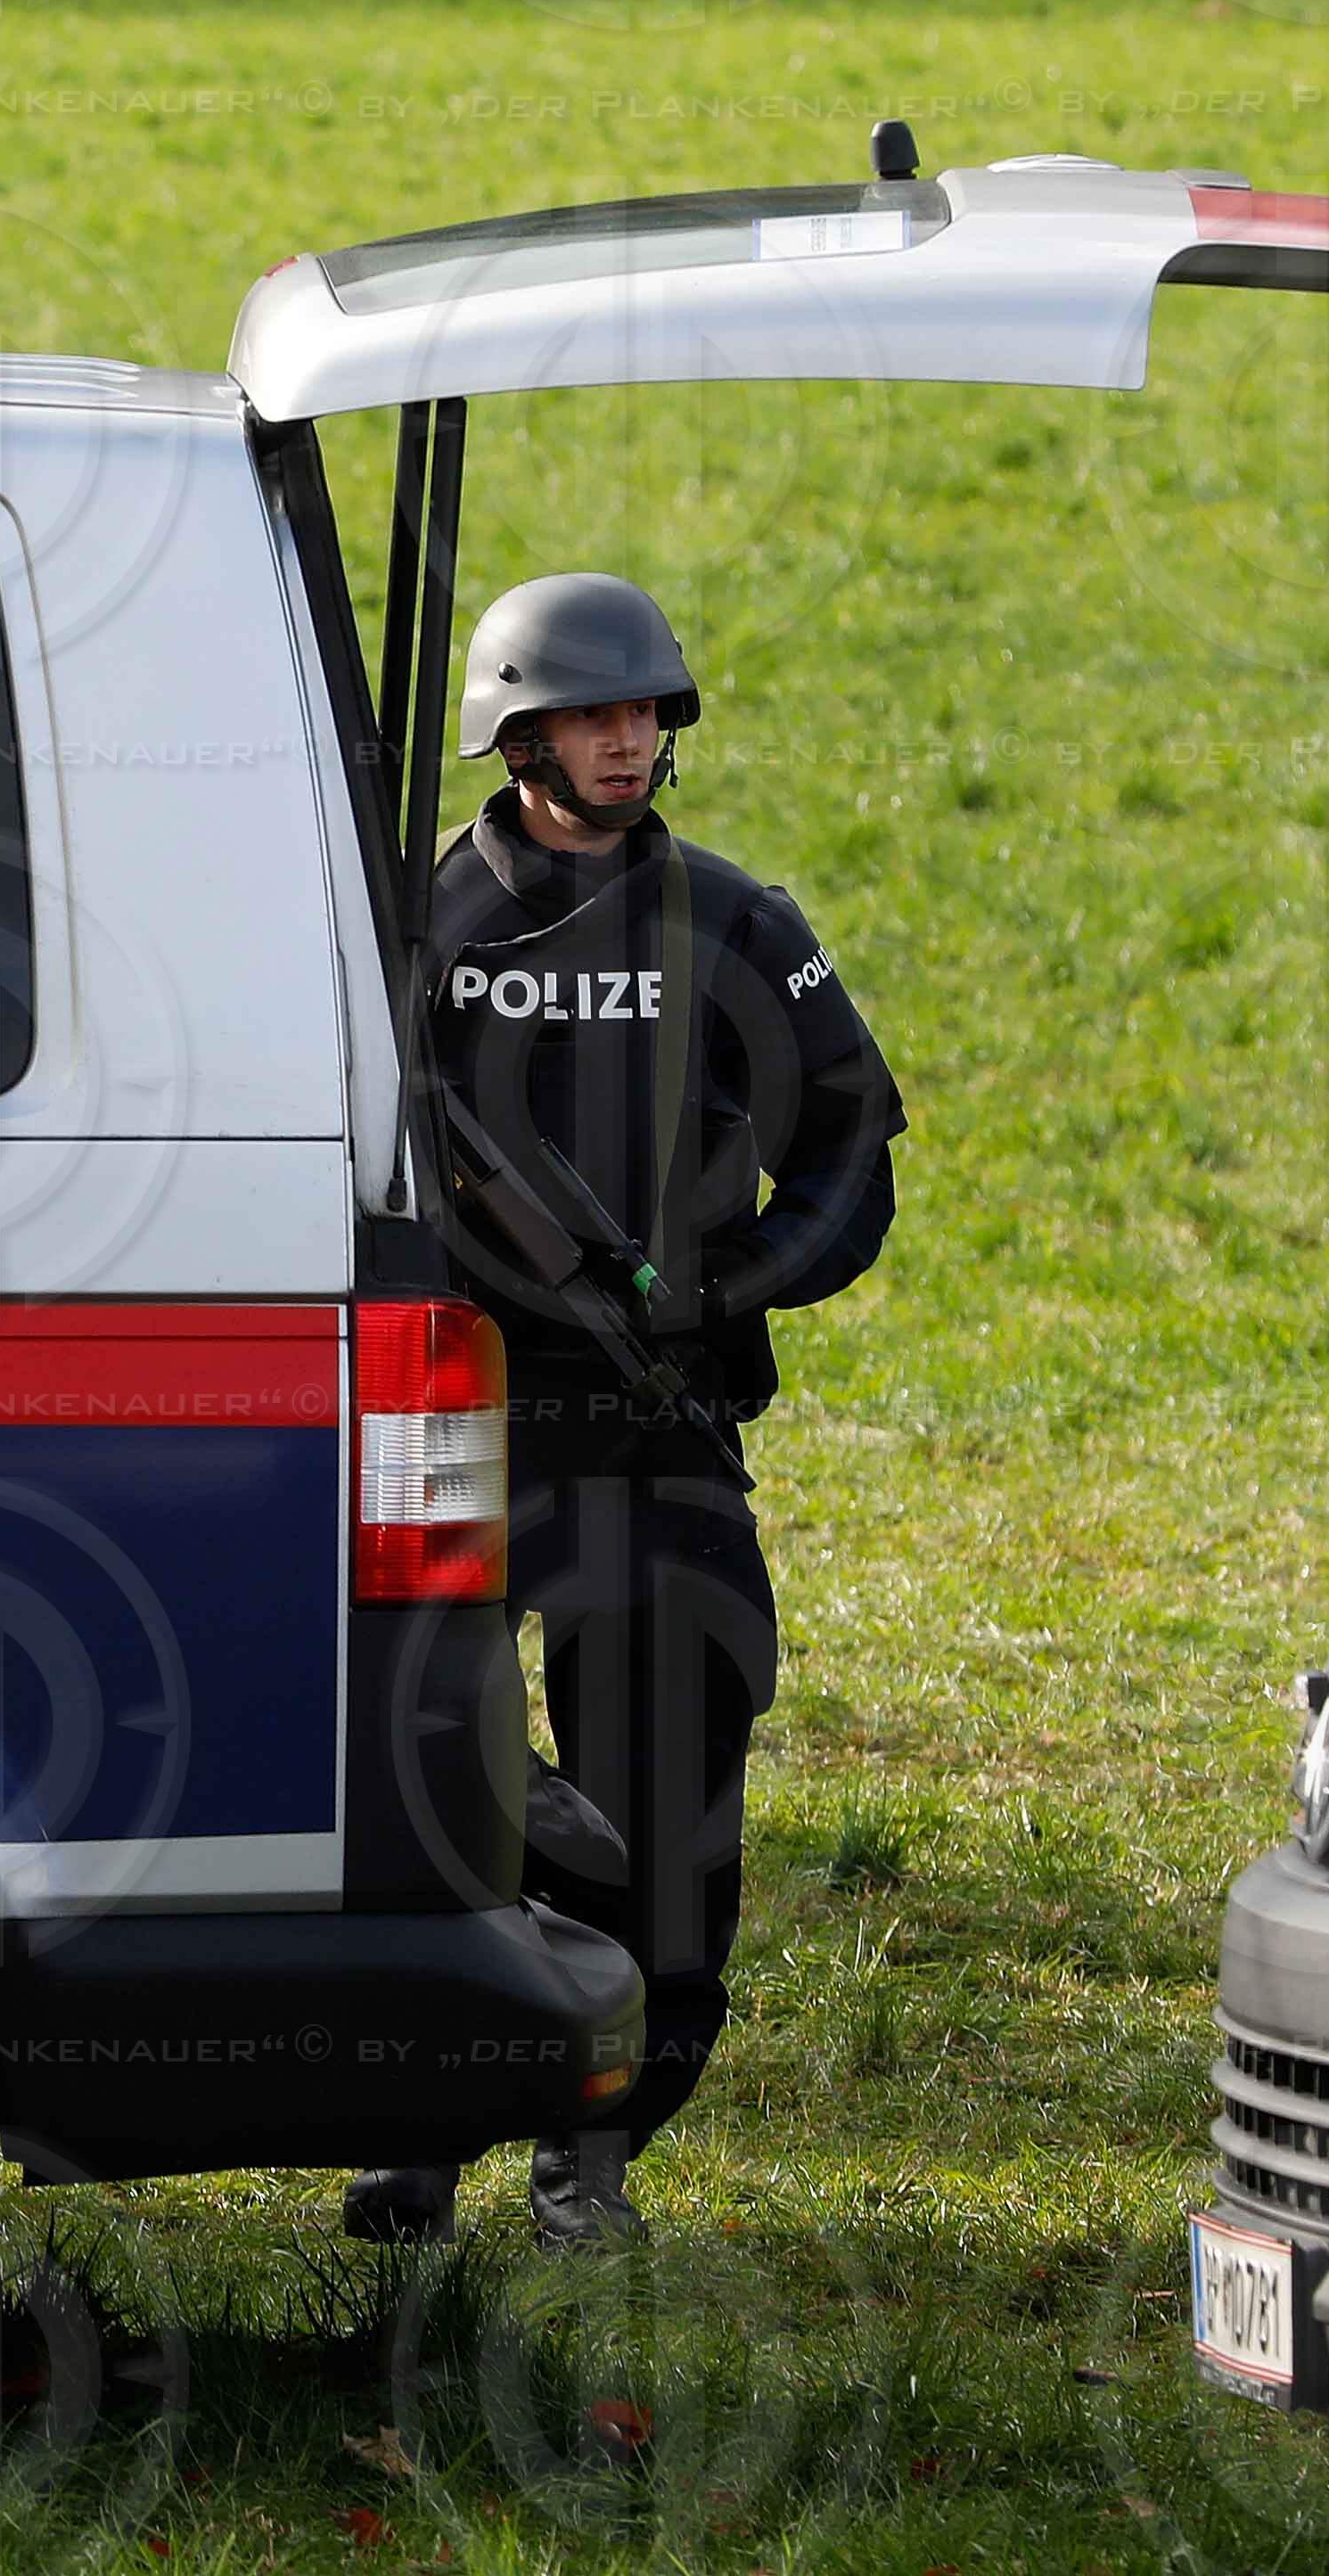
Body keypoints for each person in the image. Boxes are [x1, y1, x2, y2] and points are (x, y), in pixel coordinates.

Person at [347, 572, 906, 2251]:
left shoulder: (732, 924)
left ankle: (592, 2146)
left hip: (656, 1423)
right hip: (452, 1417)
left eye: (648, 710)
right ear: (515, 736)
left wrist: (726, 1290)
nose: (627, 739)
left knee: (669, 1795)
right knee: (419, 1776)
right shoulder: (405, 928)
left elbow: (851, 1158)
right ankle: (419, 2129)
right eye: (592, 713)